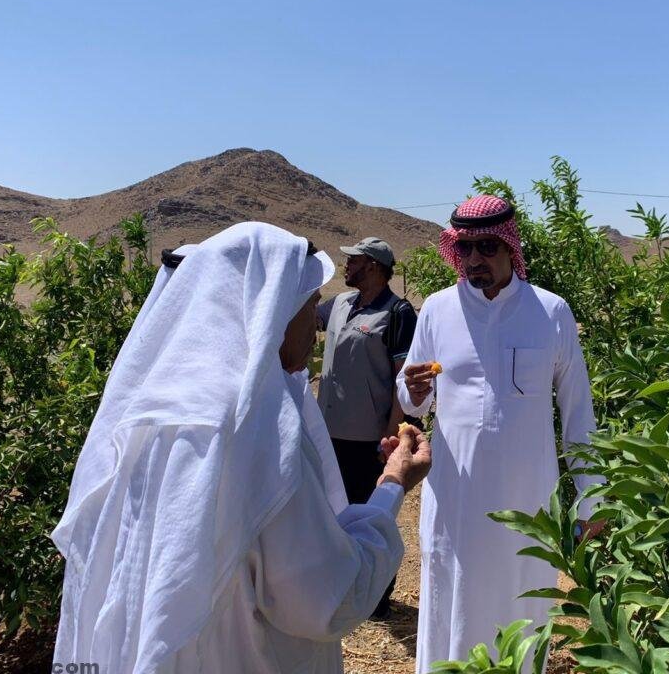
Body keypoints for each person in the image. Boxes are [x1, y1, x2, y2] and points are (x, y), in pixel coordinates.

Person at [51, 222, 431, 674]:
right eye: (310, 306)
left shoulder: (143, 416)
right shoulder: (261, 432)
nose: (314, 328)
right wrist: (392, 485)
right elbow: (327, 597)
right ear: (274, 312)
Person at [396, 195, 604, 673]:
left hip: (526, 503)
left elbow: (579, 414)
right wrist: (412, 390)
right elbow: (413, 400)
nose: (474, 259)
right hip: (456, 501)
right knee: (451, 600)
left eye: (487, 247)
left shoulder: (550, 312)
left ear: (511, 246)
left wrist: (592, 501)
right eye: (465, 248)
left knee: (522, 603)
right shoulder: (437, 310)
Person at [316, 236, 417, 619]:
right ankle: (343, 586)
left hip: (368, 437)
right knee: (333, 511)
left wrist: (391, 436)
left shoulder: (397, 313)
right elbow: (307, 318)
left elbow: (402, 380)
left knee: (371, 515)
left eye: (354, 260)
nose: (347, 266)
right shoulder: (340, 304)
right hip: (329, 431)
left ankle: (377, 597)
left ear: (373, 266)